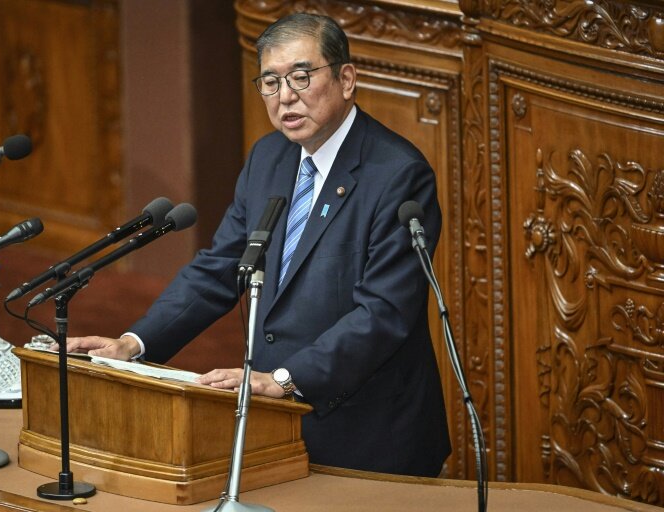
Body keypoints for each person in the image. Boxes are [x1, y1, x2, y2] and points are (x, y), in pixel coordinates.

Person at [64, 12, 451, 476]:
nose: (285, 96)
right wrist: (136, 343)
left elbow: (383, 314)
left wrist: (287, 379)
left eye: (301, 77)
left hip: (369, 433)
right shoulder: (269, 157)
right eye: (270, 81)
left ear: (346, 78)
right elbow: (221, 268)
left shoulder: (398, 175)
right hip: (274, 424)